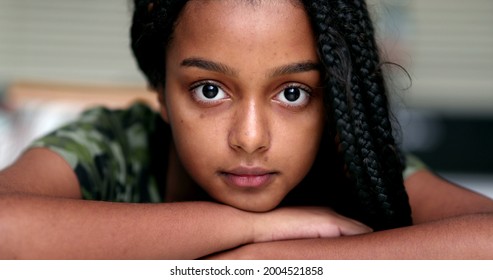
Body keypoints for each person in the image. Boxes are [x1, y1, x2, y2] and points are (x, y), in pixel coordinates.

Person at [0, 0, 492, 260]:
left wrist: (281, 264)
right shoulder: (113, 144)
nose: (251, 138)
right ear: (161, 92)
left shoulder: (354, 160)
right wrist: (251, 226)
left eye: (293, 93)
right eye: (210, 90)